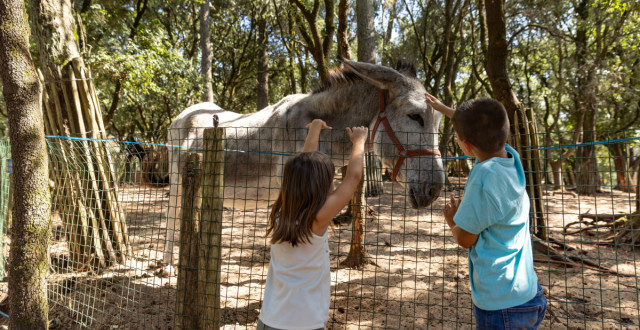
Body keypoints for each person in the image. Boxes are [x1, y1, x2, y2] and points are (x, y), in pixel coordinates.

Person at [425, 93, 547, 329]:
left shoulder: (483, 177)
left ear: (466, 145)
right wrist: (445, 110)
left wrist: (452, 222)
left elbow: (466, 239)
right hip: (529, 293)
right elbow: (483, 128)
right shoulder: (512, 158)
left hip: (501, 305)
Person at [258, 119, 368, 330]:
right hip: (303, 325)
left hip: (269, 320)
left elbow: (304, 167)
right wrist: (359, 141)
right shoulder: (317, 218)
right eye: (331, 179)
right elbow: (353, 178)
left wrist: (316, 128)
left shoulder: (284, 209)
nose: (334, 183)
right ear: (318, 185)